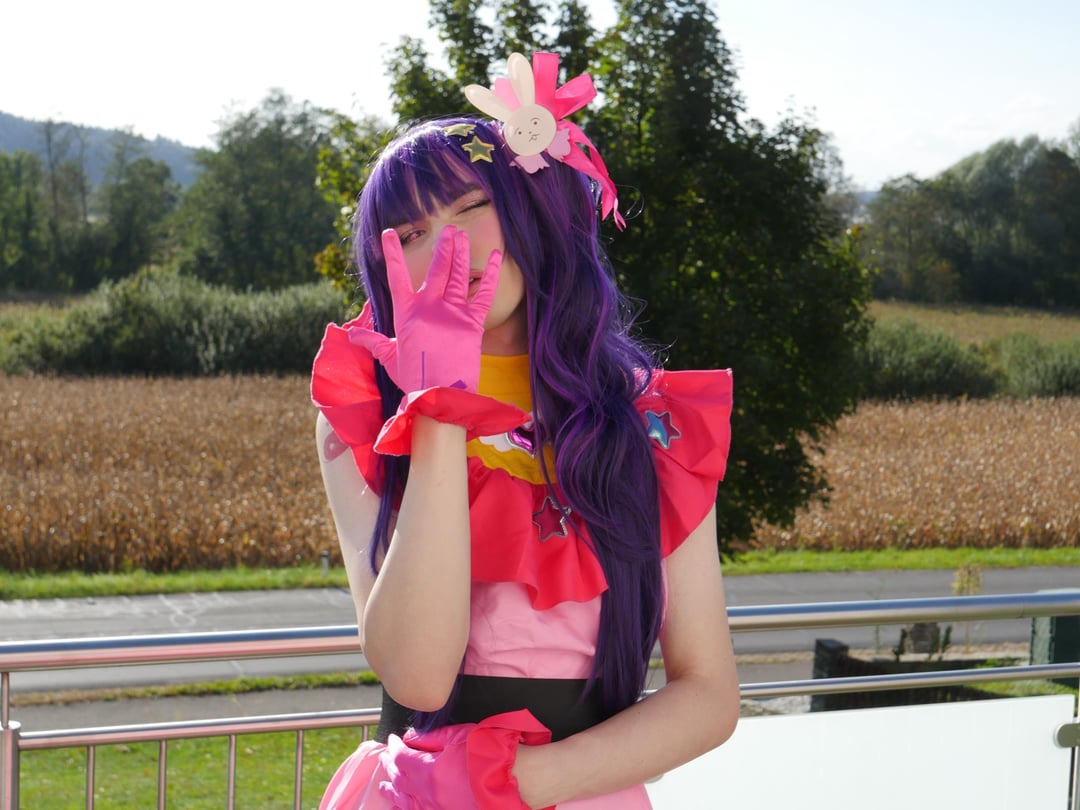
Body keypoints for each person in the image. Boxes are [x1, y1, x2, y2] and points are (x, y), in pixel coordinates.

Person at [311, 51, 739, 810]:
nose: (447, 247)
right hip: (417, 795)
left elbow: (708, 694)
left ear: (532, 210)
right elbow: (417, 677)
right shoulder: (359, 414)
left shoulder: (652, 423)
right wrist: (436, 406)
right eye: (409, 231)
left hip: (578, 793)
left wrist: (514, 784)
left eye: (470, 206)